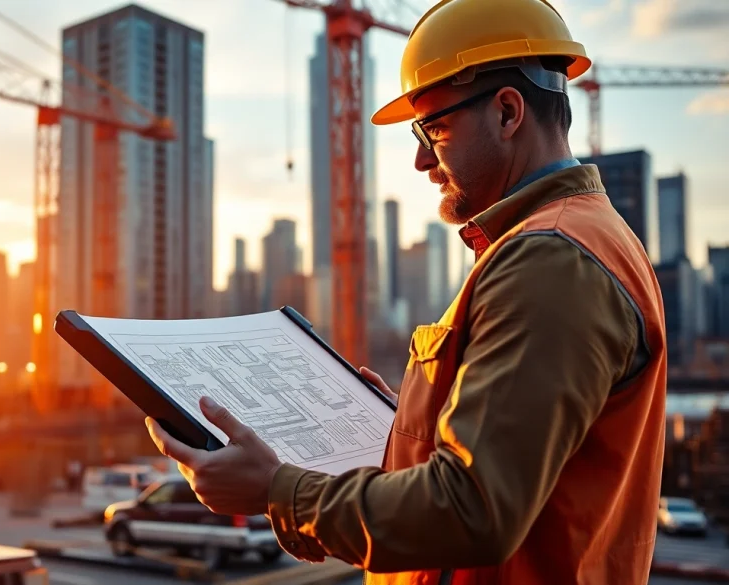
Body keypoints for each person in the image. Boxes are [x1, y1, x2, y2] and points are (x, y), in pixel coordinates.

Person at [144, 0, 667, 583]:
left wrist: (274, 489)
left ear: (508, 112)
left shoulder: (550, 259)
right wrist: (402, 424)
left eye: (433, 127)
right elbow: (524, 458)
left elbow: (473, 510)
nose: (420, 159)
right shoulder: (571, 239)